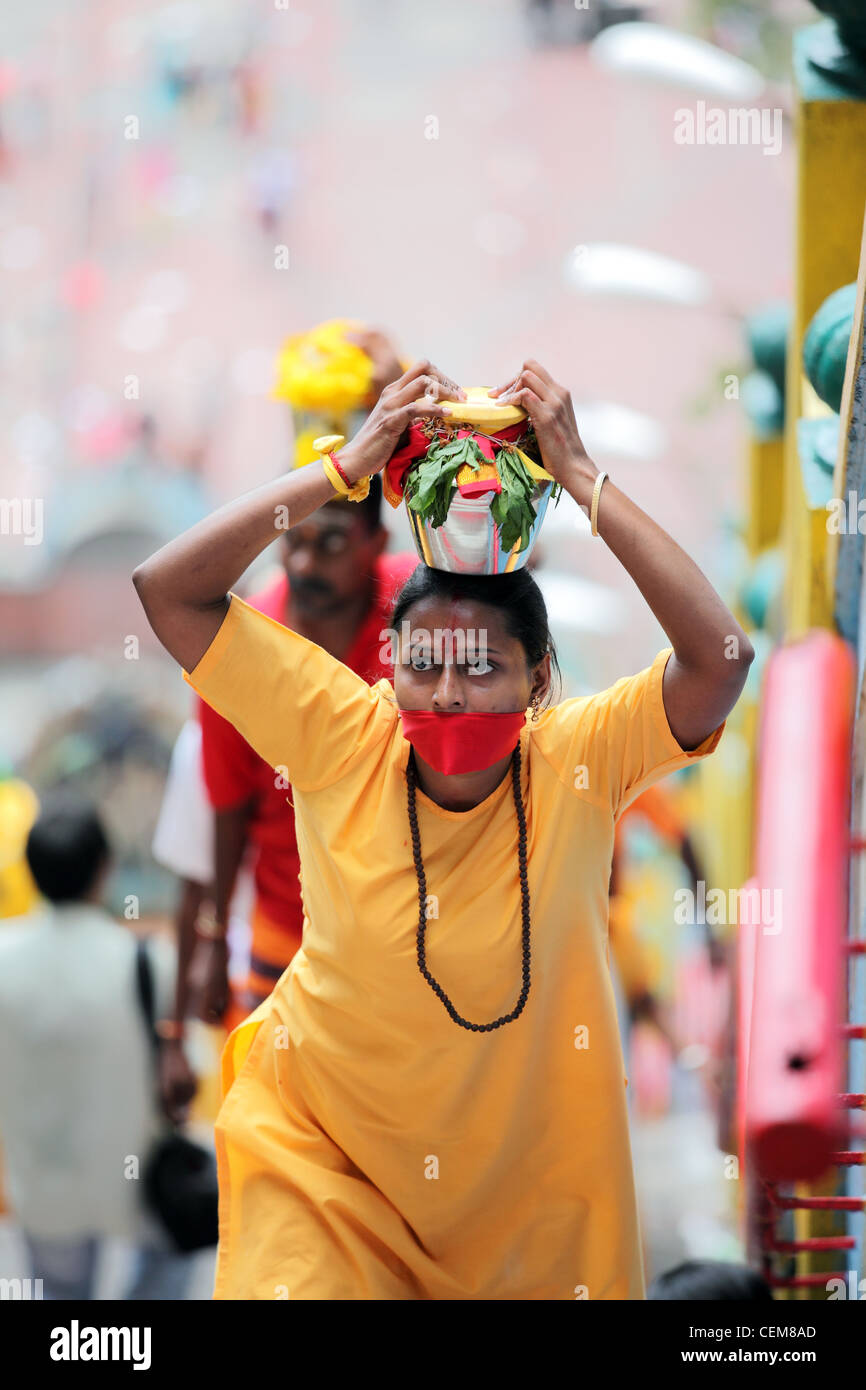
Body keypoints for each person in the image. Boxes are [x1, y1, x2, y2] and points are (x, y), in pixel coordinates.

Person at [133, 356, 753, 1300]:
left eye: (484, 667)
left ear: (540, 680)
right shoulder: (343, 731)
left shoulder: (578, 759)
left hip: (530, 1211)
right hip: (325, 1177)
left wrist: (582, 476)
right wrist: (347, 466)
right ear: (388, 661)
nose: (451, 690)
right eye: (425, 660)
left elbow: (720, 657)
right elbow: (167, 590)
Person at [0, 793, 190, 1299]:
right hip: (136, 1191)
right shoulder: (149, 964)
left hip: (41, 1189)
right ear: (104, 871)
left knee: (60, 1303)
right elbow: (184, 1074)